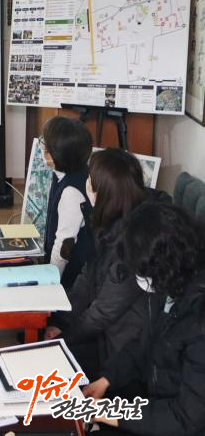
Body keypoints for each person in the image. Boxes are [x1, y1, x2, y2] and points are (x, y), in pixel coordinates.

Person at [45, 149, 169, 379]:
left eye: (90, 180)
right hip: (103, 333)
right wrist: (61, 320)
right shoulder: (111, 219)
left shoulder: (137, 242)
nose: (86, 183)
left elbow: (104, 312)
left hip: (121, 352)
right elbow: (87, 276)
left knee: (42, 365)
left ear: (103, 193)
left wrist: (64, 338)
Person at [83, 202, 205, 435]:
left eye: (142, 273)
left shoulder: (198, 317)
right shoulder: (169, 285)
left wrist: (110, 412)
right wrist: (106, 379)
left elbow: (186, 417)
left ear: (163, 265)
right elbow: (145, 345)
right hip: (157, 402)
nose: (139, 280)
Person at [40, 116, 93, 289]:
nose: (42, 147)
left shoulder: (71, 192)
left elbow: (64, 247)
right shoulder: (65, 172)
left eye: (46, 145)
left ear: (58, 153)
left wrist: (49, 285)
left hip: (70, 280)